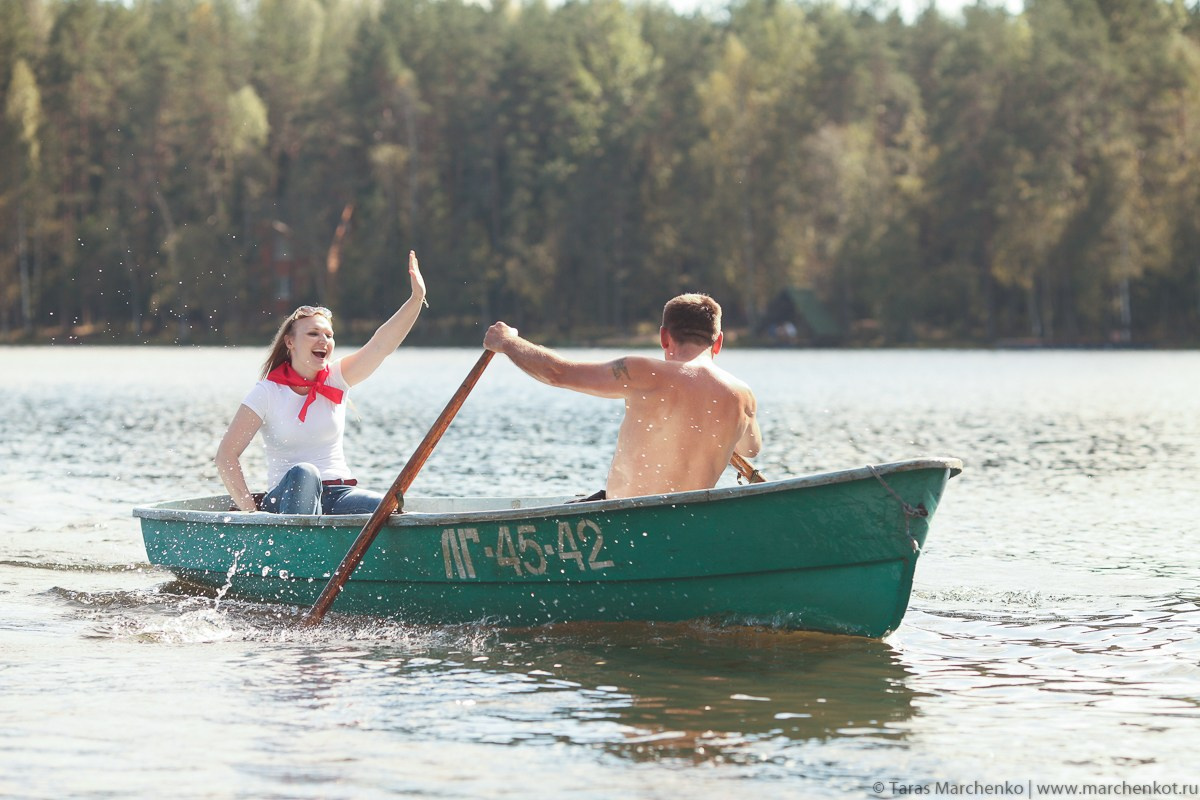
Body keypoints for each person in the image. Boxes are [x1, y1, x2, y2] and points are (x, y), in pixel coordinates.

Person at [483, 293, 762, 500]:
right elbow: (750, 450)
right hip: (689, 523)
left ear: (665, 337)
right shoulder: (743, 396)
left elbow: (557, 373)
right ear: (720, 341)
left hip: (625, 520)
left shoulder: (643, 372)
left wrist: (507, 342)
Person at [215, 250, 427, 514]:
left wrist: (416, 299)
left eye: (328, 334)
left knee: (389, 508)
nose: (323, 340)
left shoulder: (338, 379)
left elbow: (381, 345)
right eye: (313, 333)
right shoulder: (267, 392)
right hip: (286, 501)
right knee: (305, 473)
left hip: (339, 495)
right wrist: (250, 513)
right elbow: (226, 455)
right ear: (290, 342)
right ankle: (297, 546)